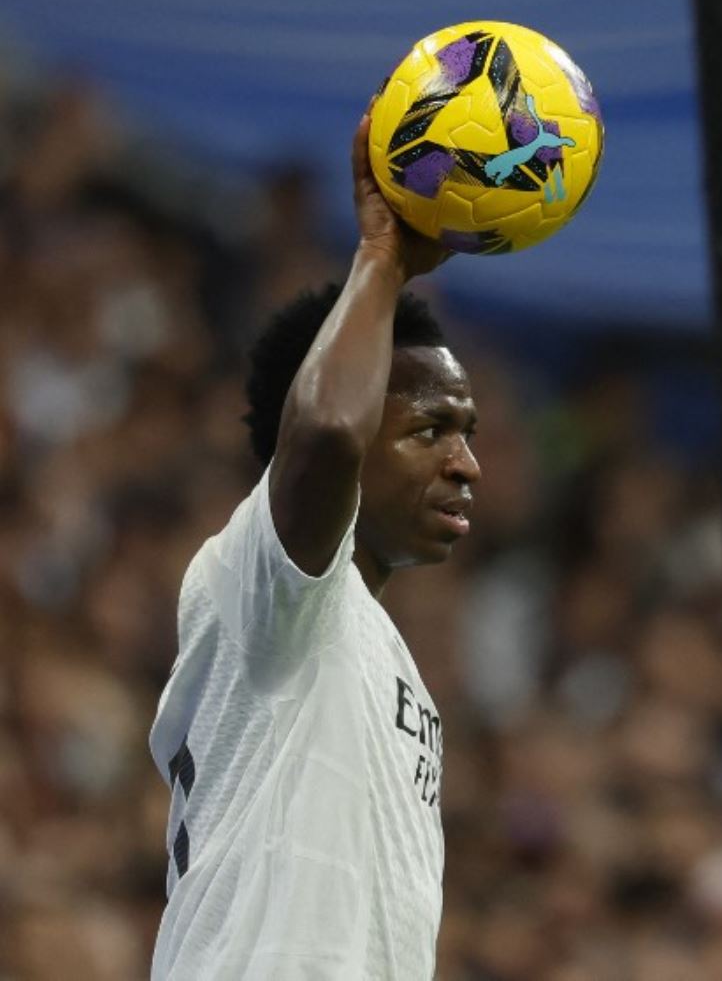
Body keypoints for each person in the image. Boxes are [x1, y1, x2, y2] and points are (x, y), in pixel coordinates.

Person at [146, 110, 481, 979]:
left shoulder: (377, 656)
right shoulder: (270, 587)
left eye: (468, 430)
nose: (467, 462)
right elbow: (327, 428)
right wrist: (383, 256)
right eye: (431, 429)